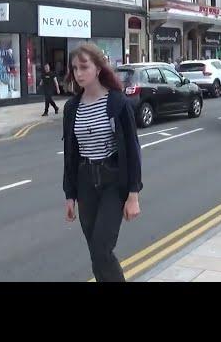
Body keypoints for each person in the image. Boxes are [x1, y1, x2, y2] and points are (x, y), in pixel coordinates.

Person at [62, 43, 142, 282]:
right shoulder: (71, 108)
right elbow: (70, 154)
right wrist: (70, 194)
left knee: (101, 249)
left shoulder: (117, 103)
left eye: (84, 67)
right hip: (86, 182)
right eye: (75, 68)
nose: (78, 73)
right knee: (95, 254)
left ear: (98, 68)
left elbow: (132, 150)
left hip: (112, 181)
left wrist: (133, 195)